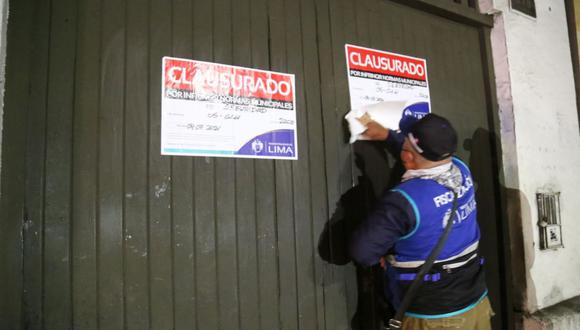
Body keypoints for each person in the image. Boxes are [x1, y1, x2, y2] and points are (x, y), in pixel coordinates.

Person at [349, 114, 493, 329]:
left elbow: (362, 251)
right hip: (476, 303)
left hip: (434, 319)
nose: (402, 152)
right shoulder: (461, 169)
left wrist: (381, 255)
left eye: (405, 147)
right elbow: (425, 155)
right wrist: (388, 136)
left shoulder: (405, 200)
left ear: (407, 157)